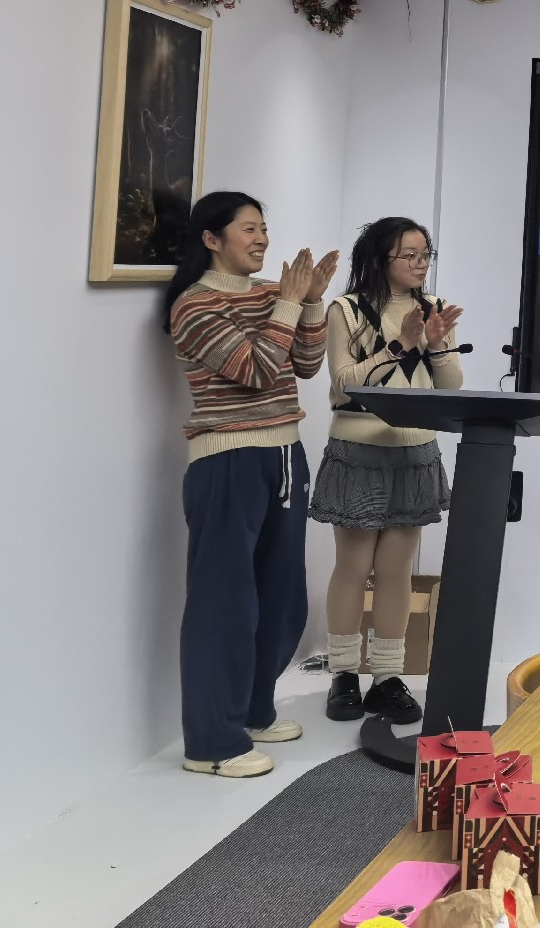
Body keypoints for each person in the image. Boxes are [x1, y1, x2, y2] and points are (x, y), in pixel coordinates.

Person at [164, 192, 338, 778]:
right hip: (227, 459)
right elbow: (259, 369)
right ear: (212, 239)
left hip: (284, 452)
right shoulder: (194, 306)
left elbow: (305, 365)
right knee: (224, 603)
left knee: (281, 597)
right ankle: (211, 743)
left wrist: (310, 302)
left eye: (264, 228)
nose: (262, 239)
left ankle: (254, 711)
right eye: (249, 229)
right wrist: (290, 303)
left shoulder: (270, 295)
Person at [310, 217, 462, 725]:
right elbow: (343, 385)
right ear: (380, 259)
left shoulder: (434, 308)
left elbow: (450, 387)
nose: (420, 265)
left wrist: (436, 343)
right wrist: (399, 344)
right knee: (353, 566)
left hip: (415, 451)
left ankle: (388, 678)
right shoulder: (346, 309)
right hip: (359, 447)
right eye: (409, 256)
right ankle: (343, 675)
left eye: (425, 255)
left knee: (397, 570)